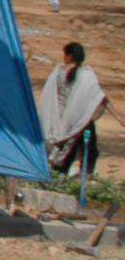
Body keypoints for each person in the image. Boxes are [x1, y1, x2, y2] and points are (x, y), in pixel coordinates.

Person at [40, 43, 122, 175]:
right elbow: (100, 97)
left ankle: (60, 175)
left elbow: (52, 96)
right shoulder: (86, 75)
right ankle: (85, 174)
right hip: (83, 118)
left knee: (67, 150)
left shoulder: (59, 72)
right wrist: (118, 117)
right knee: (88, 148)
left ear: (69, 56)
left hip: (64, 119)